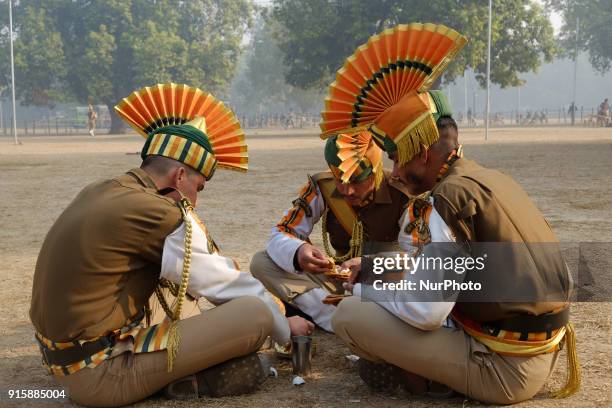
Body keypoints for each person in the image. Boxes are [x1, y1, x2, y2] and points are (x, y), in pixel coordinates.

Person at [30, 83, 313, 407]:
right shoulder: (158, 212)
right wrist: (285, 326)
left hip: (59, 360)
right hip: (99, 375)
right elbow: (226, 283)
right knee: (254, 313)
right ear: (180, 176)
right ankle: (194, 380)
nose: (195, 199)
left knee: (179, 294)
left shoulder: (104, 188)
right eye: (199, 187)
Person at [332, 88, 579, 404]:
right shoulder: (490, 179)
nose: (394, 174)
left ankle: (425, 379)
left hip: (504, 370)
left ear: (421, 154)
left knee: (350, 315)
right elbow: (462, 268)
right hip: (541, 352)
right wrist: (374, 267)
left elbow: (425, 312)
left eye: (396, 159)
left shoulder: (448, 199)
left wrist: (363, 290)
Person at [250, 129, 410, 332]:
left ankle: (347, 317)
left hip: (385, 286)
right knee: (262, 262)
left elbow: (422, 257)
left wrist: (370, 264)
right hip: (340, 284)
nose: (346, 191)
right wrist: (299, 251)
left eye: (355, 181)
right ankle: (334, 317)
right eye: (339, 180)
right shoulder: (321, 187)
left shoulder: (404, 195)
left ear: (375, 170)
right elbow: (282, 232)